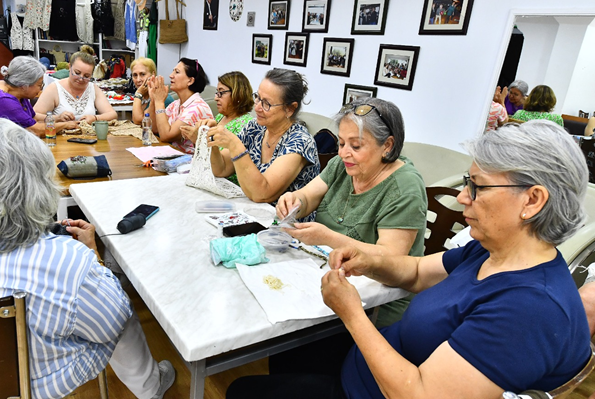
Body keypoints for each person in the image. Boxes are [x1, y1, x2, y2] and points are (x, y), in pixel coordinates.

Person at [227, 120, 592, 399]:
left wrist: (352, 313)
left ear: (532, 200)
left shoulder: (529, 309)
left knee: (243, 390)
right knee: (290, 352)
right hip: (375, 362)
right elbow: (418, 271)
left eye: (477, 187)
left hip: (383, 387)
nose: (463, 197)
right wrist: (368, 260)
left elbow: (418, 393)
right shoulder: (493, 249)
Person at [0, 119, 176, 399]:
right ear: (36, 185)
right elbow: (112, 322)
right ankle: (150, 387)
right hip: (28, 383)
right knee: (119, 310)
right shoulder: (66, 260)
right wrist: (93, 258)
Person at [275, 98, 426, 328]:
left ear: (387, 145)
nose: (344, 153)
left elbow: (392, 258)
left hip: (377, 304)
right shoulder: (342, 165)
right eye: (341, 143)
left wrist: (328, 238)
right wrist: (294, 202)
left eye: (355, 146)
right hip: (328, 277)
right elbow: (308, 196)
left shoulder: (405, 188)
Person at [199, 69, 319, 216]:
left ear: (290, 109)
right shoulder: (255, 128)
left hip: (284, 228)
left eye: (266, 103)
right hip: (251, 213)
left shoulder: (300, 141)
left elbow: (262, 193)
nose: (257, 107)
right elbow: (221, 169)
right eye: (258, 98)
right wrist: (210, 137)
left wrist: (235, 145)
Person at [0, 56, 78, 136]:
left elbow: (33, 117)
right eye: (39, 85)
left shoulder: (15, 89)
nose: (41, 89)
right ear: (24, 85)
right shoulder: (4, 100)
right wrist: (65, 125)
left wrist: (57, 118)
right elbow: (36, 130)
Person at [34, 45, 117, 125]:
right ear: (69, 67)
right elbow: (34, 116)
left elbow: (112, 114)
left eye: (86, 76)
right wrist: (57, 118)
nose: (81, 79)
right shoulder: (54, 89)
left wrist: (95, 118)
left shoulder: (93, 88)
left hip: (88, 138)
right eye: (77, 73)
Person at [147, 57, 214, 153]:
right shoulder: (175, 104)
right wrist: (154, 100)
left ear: (190, 81)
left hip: (191, 162)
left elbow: (166, 136)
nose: (171, 76)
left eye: (177, 72)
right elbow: (155, 129)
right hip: (175, 155)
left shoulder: (197, 108)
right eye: (172, 71)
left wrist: (159, 102)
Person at [129, 57, 174, 126]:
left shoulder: (162, 97)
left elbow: (139, 121)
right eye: (135, 75)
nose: (138, 80)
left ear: (153, 74)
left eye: (142, 74)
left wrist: (138, 94)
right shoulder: (143, 97)